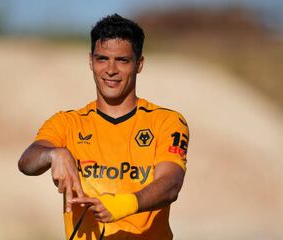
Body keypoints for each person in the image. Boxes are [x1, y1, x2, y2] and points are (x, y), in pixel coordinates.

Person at [18, 13, 189, 240]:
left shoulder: (167, 122)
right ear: (90, 61)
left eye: (122, 60)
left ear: (139, 64)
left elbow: (171, 185)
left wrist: (122, 205)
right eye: (102, 59)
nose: (110, 69)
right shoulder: (67, 123)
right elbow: (26, 162)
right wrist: (53, 154)